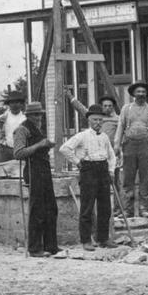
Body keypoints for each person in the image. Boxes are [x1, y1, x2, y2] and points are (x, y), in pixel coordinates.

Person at [60, 104, 118, 251]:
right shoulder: (82, 136)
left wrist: (111, 170)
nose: (98, 123)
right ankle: (86, 240)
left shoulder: (104, 137)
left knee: (105, 207)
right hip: (89, 171)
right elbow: (64, 149)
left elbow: (112, 156)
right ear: (89, 121)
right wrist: (78, 162)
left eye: (100, 120)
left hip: (103, 170)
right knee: (87, 207)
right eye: (95, 120)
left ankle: (103, 239)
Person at [67, 87, 124, 215]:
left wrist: (118, 153)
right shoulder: (96, 118)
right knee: (93, 194)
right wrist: (71, 98)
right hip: (92, 160)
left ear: (113, 107)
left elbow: (121, 137)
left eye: (110, 106)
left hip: (110, 156)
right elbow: (81, 108)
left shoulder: (118, 120)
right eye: (105, 106)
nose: (108, 108)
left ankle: (118, 209)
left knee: (114, 183)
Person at [14, 101, 60, 257]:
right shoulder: (22, 129)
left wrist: (46, 145)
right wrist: (40, 145)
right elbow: (18, 153)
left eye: (40, 114)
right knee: (37, 210)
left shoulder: (39, 128)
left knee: (51, 208)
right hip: (33, 170)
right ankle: (34, 248)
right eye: (35, 114)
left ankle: (51, 246)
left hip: (45, 169)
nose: (38, 117)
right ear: (28, 115)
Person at [115, 81, 148, 218]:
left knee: (145, 178)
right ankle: (127, 209)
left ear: (146, 94)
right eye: (138, 92)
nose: (141, 94)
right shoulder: (126, 109)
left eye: (143, 92)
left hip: (145, 146)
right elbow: (120, 127)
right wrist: (116, 145)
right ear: (133, 94)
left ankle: (143, 208)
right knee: (128, 178)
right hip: (129, 145)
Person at [0, 90, 27, 168]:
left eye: (17, 102)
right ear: (9, 104)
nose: (14, 105)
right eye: (12, 102)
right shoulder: (2, 118)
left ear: (21, 104)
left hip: (21, 150)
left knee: (21, 174)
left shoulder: (25, 118)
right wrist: (0, 125)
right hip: (5, 152)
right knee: (2, 175)